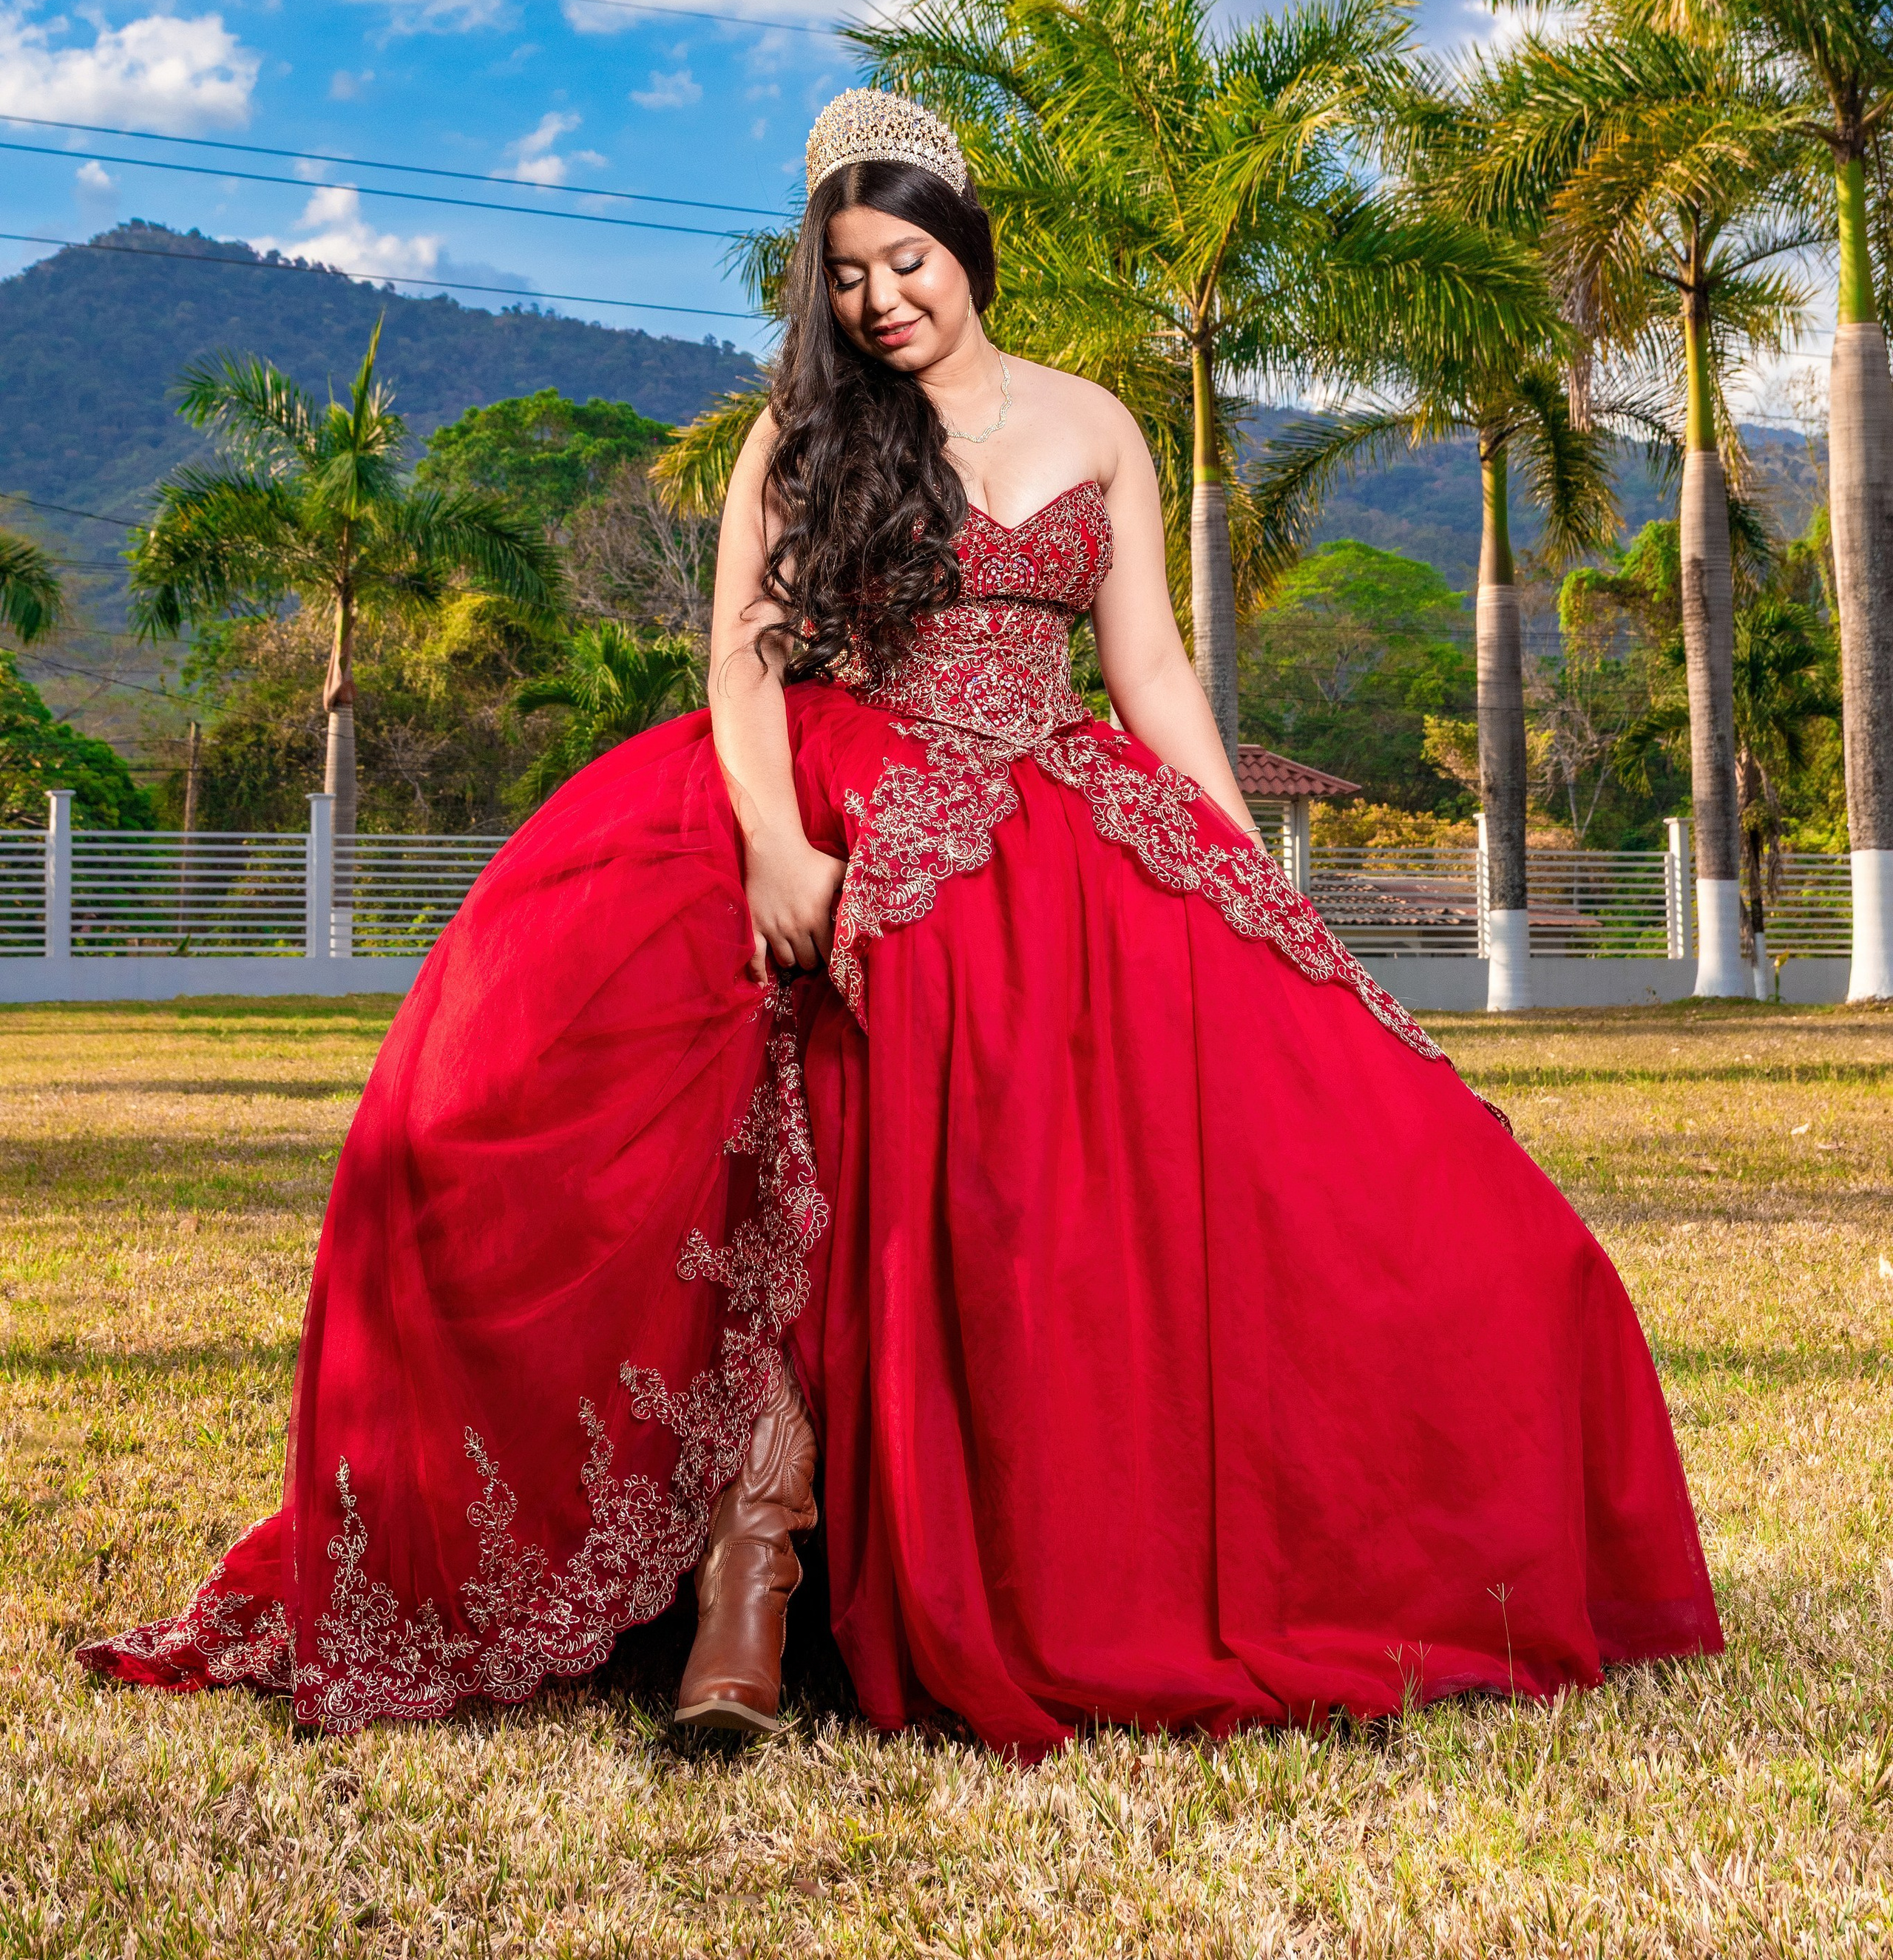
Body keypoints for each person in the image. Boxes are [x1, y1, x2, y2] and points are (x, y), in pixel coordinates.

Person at [81, 89, 1721, 1752]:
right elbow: (736, 657)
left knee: (1298, 1164)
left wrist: (1250, 887)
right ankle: (746, 1577)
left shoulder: (1096, 424)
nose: (879, 300)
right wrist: (783, 849)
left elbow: (1149, 671)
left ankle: (901, 1562)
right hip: (823, 787)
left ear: (966, 245)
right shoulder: (798, 433)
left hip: (1053, 818)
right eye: (847, 274)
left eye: (906, 258)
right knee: (708, 1113)